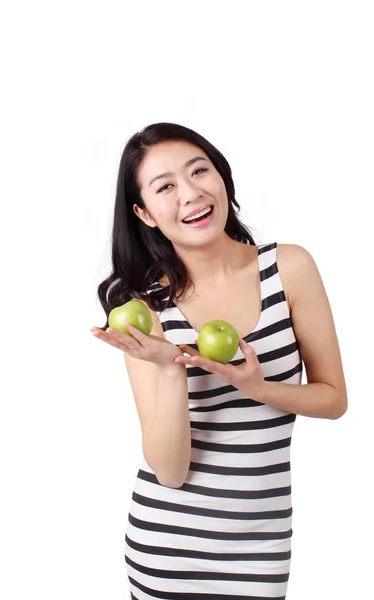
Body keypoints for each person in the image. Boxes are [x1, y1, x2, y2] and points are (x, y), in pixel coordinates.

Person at [90, 122, 348, 599]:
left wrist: (260, 387)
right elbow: (169, 471)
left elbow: (333, 401)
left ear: (222, 177)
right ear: (144, 213)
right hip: (167, 550)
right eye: (165, 186)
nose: (190, 193)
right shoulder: (146, 308)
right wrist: (169, 368)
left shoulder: (288, 269)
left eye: (199, 171)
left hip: (262, 547)